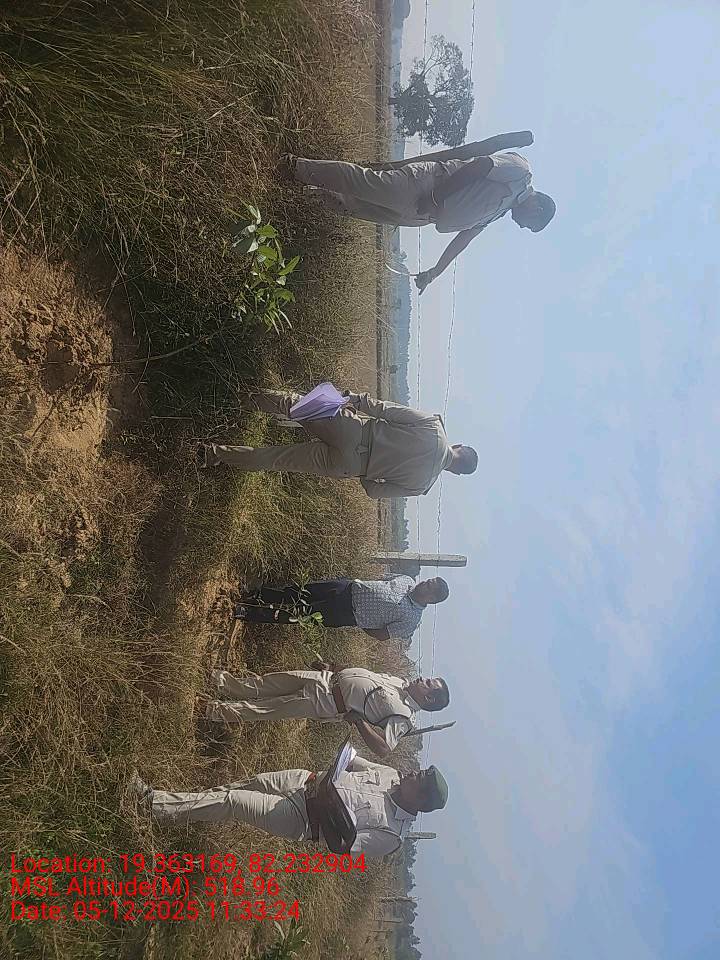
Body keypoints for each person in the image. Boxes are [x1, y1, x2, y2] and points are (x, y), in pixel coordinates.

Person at [280, 129, 555, 294]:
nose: (522, 226)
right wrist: (436, 196)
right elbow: (481, 165)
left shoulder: (500, 211)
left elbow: (465, 238)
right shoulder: (521, 172)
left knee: (354, 206)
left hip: (422, 215)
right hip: (426, 187)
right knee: (362, 182)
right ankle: (294, 167)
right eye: (529, 225)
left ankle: (302, 193)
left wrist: (435, 272)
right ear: (537, 208)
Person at [131, 759, 448, 858]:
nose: (411, 772)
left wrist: (332, 805)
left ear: (421, 800)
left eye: (418, 776)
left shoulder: (391, 835)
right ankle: (169, 812)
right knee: (241, 787)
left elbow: (343, 846)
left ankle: (149, 803)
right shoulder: (391, 775)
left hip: (301, 819)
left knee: (233, 803)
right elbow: (354, 762)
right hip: (303, 780)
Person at [200, 389, 477, 499]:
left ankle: (234, 394)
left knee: (292, 404)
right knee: (276, 459)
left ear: (460, 446)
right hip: (349, 466)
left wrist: (353, 399)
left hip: (353, 429)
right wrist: (366, 470)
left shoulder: (434, 427)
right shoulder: (422, 486)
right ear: (456, 473)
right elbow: (373, 491)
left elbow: (385, 410)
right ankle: (212, 454)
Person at [198, 666, 450, 757]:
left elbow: (384, 748)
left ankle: (212, 710)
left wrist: (360, 723)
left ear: (429, 698)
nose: (423, 679)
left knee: (266, 709)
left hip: (326, 702)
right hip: (325, 678)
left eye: (428, 683)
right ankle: (220, 681)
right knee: (268, 682)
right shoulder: (400, 682)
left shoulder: (404, 717)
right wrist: (335, 668)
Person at [233, 573, 448, 639]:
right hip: (346, 588)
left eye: (429, 586)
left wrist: (361, 622)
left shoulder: (411, 620)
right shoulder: (407, 580)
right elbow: (383, 581)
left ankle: (247, 612)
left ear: (431, 599)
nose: (424, 582)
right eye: (428, 580)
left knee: (299, 615)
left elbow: (384, 634)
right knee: (299, 591)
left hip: (345, 614)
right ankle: (256, 595)